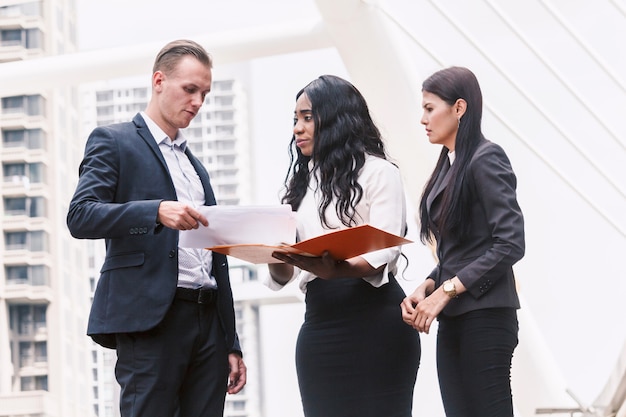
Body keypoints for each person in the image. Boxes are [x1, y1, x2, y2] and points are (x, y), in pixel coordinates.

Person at [66, 39, 246, 417]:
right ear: (159, 81)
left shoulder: (196, 168)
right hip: (152, 321)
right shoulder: (113, 141)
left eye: (205, 93)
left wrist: (231, 342)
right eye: (190, 89)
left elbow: (213, 257)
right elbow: (81, 215)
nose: (198, 102)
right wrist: (155, 212)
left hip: (208, 323)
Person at [265, 74, 421, 417]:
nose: (297, 128)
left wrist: (339, 269)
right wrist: (275, 255)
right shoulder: (298, 188)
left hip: (376, 321)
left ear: (335, 119)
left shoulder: (380, 173)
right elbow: (281, 277)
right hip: (319, 324)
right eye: (295, 119)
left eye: (307, 117)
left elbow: (384, 250)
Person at [400, 66, 525, 417]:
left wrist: (446, 291)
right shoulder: (450, 166)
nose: (422, 119)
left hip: (485, 316)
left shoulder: (487, 158)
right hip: (456, 318)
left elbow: (510, 243)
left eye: (429, 108)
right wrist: (428, 284)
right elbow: (463, 249)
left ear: (459, 108)